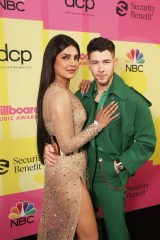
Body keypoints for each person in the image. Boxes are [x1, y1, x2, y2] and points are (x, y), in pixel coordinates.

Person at [44, 36, 157, 240]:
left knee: (116, 231)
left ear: (115, 63)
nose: (101, 69)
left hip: (109, 176)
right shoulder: (82, 94)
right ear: (88, 64)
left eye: (106, 62)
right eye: (95, 62)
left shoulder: (133, 101)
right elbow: (62, 127)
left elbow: (147, 142)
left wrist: (120, 165)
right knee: (89, 231)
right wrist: (49, 145)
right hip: (81, 173)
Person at [36, 34, 119, 240]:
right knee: (89, 237)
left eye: (76, 58)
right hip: (67, 174)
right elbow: (66, 144)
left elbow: (58, 128)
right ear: (52, 60)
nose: (73, 64)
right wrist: (97, 125)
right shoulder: (59, 96)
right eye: (65, 57)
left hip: (69, 171)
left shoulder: (63, 91)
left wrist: (85, 86)